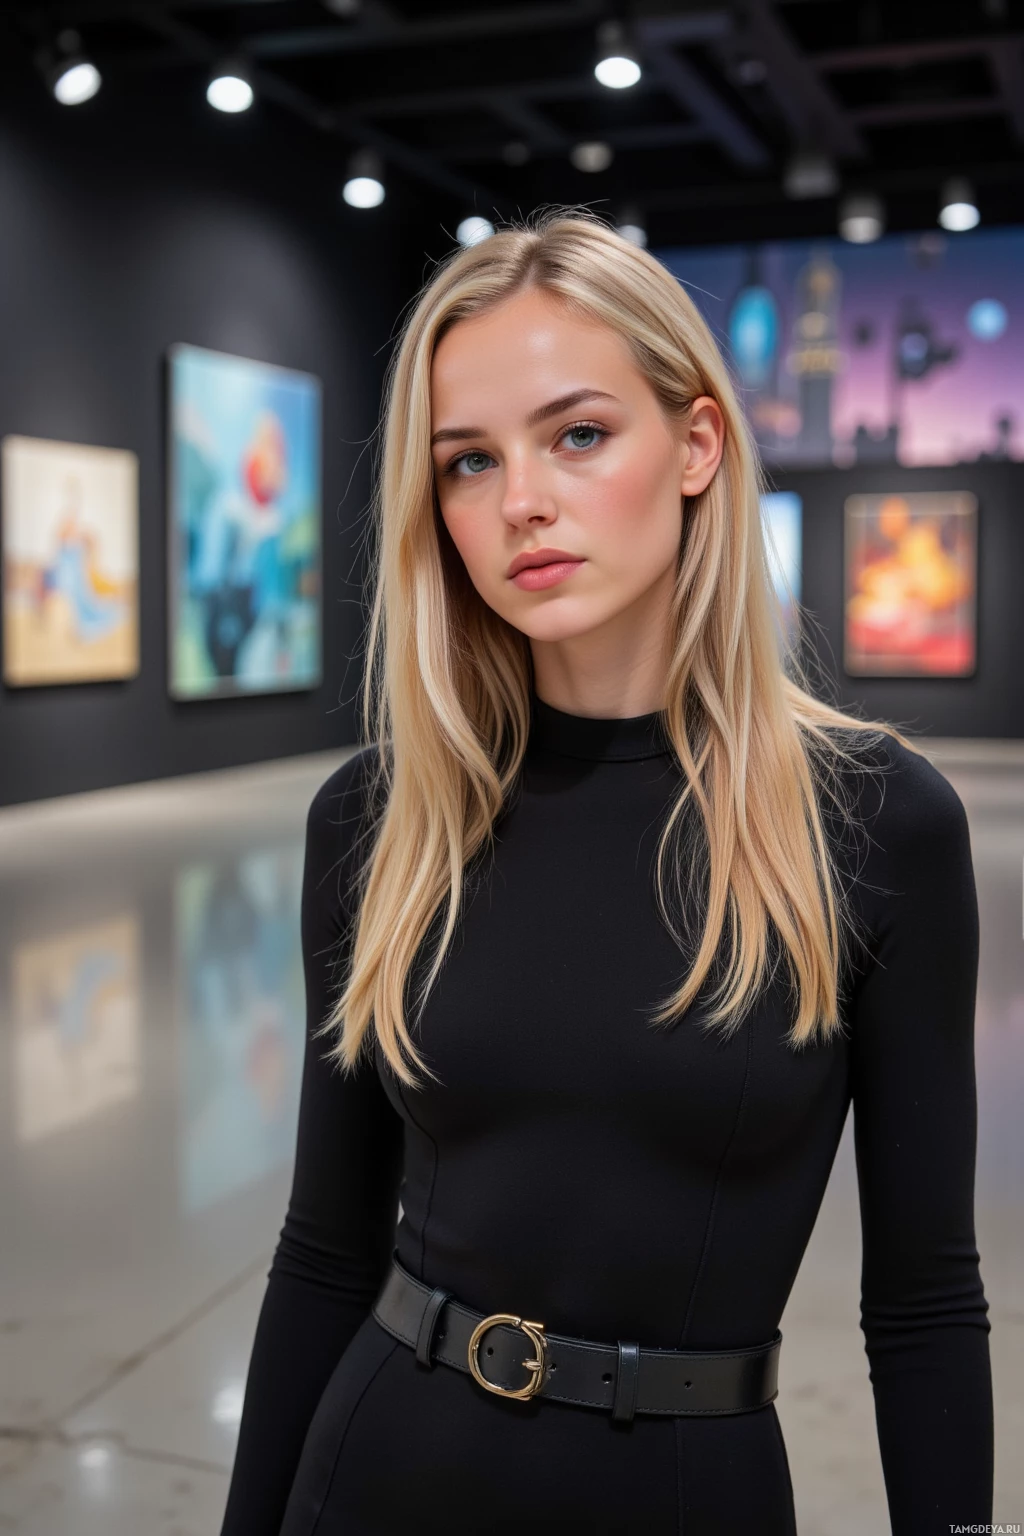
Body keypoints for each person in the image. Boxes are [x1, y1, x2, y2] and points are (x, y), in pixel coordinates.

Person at [219, 212, 992, 1535]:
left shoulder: (873, 824)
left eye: (578, 435)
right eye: (468, 461)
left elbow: (923, 1300)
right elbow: (325, 1252)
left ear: (697, 447)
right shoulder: (379, 817)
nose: (522, 499)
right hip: (375, 1476)